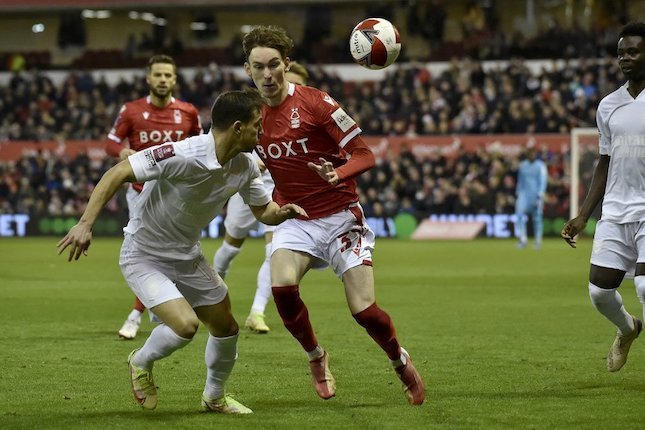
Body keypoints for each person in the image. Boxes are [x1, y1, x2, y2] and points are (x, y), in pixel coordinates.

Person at [57, 89, 307, 413]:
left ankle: (214, 397)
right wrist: (85, 224)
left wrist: (284, 211)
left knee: (226, 328)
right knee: (186, 326)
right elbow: (117, 172)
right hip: (143, 254)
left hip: (187, 255)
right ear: (237, 127)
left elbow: (264, 211)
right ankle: (140, 361)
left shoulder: (244, 166)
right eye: (257, 125)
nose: (262, 132)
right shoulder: (181, 153)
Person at [242, 25, 425, 405]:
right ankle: (316, 357)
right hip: (295, 217)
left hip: (341, 216)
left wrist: (336, 173)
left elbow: (365, 154)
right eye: (258, 67)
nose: (267, 75)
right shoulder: (249, 116)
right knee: (283, 289)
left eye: (274, 65)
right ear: (248, 70)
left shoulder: (318, 103)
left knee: (365, 312)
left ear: (287, 64)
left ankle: (398, 360)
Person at [561, 21, 645, 373]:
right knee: (599, 293)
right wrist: (583, 215)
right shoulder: (608, 105)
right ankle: (628, 329)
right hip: (614, 210)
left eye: (633, 51)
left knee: (644, 286)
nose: (625, 57)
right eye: (621, 52)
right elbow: (604, 162)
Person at [105, 54, 202, 340]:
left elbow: (198, 145)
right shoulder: (132, 111)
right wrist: (122, 152)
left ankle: (149, 311)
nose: (162, 80)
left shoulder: (188, 112)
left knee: (164, 252)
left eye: (167, 75)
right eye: (157, 75)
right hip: (140, 193)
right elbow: (111, 142)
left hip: (176, 194)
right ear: (148, 78)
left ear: (174, 79)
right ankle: (139, 314)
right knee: (146, 252)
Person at [212, 60, 310, 334]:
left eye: (301, 85)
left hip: (278, 191)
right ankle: (207, 294)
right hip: (247, 183)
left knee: (273, 251)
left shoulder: (307, 117)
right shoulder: (258, 110)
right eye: (293, 83)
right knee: (231, 246)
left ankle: (257, 312)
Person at [514, 145, 547, 249]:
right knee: (519, 214)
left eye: (533, 153)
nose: (531, 155)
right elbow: (520, 180)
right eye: (530, 153)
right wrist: (518, 192)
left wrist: (541, 194)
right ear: (527, 155)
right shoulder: (523, 165)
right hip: (524, 194)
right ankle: (523, 239)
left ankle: (538, 240)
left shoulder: (540, 166)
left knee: (537, 218)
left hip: (536, 195)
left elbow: (543, 181)